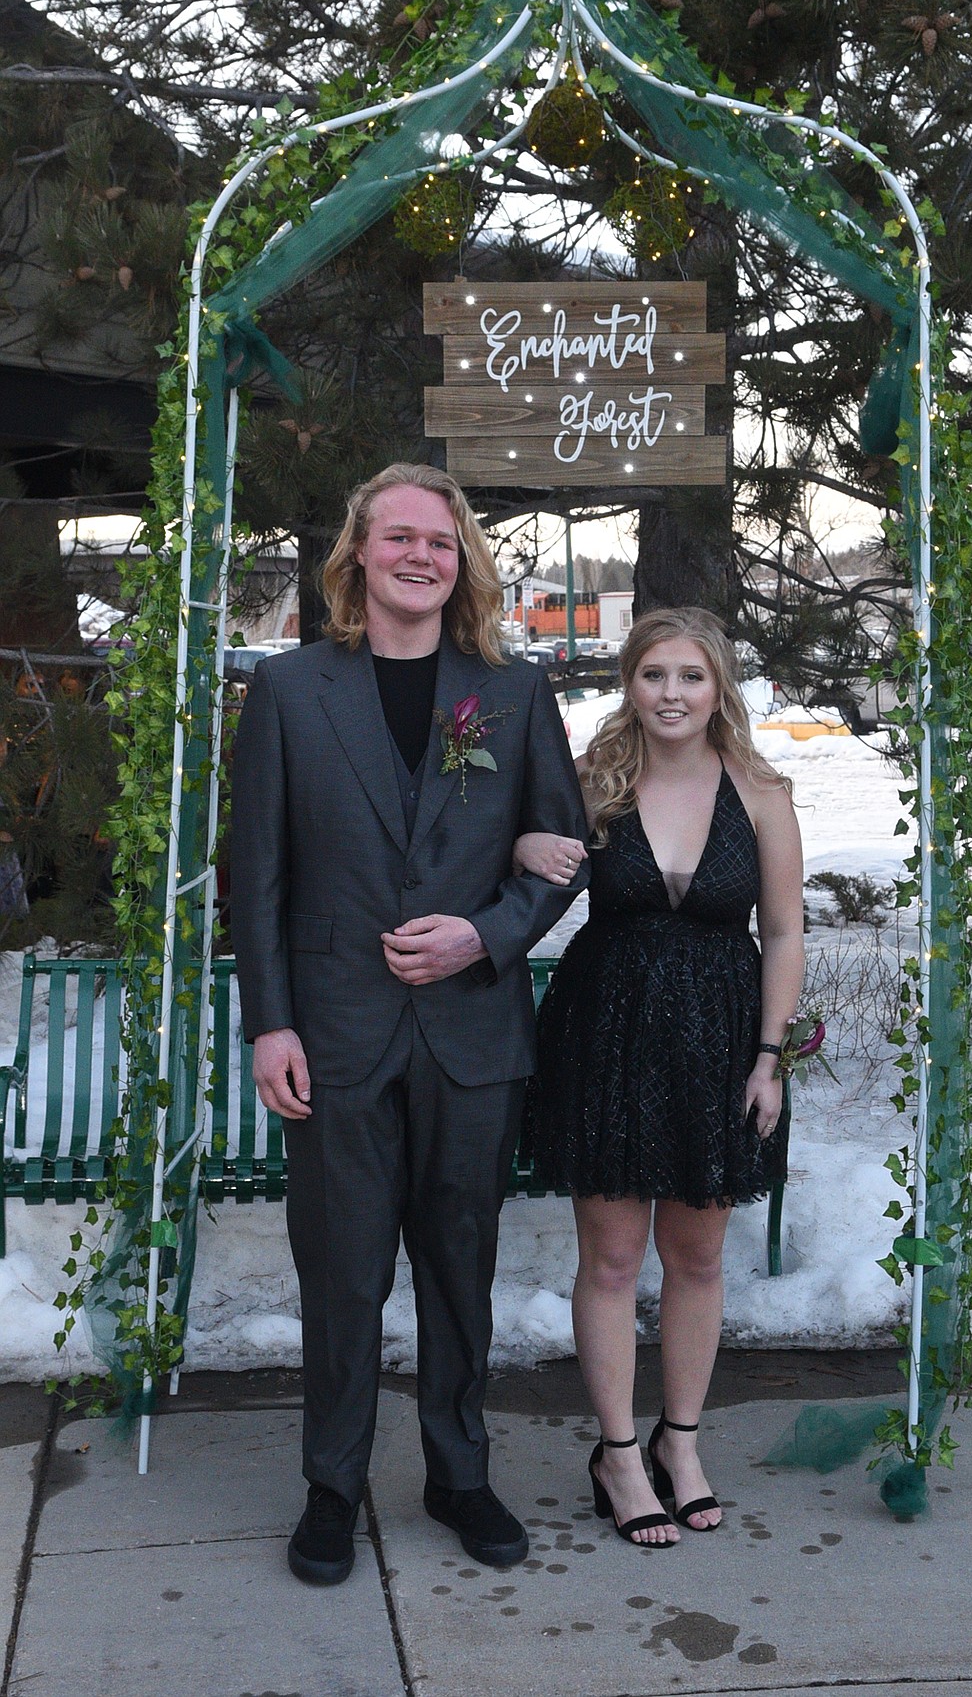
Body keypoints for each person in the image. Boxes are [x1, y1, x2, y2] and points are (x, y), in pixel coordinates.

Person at [230, 462, 587, 1585]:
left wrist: (484, 934)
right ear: (359, 553)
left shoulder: (515, 693)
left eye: (441, 540)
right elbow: (258, 879)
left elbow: (565, 853)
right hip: (333, 1036)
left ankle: (458, 1472)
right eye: (399, 538)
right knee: (340, 1273)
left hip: (471, 1036)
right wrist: (270, 1023)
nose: (420, 556)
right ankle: (332, 1485)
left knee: (458, 1266)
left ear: (462, 559)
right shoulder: (289, 690)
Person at [515, 607, 803, 1546]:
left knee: (700, 1256)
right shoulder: (594, 782)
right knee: (609, 1259)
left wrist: (769, 1057)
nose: (671, 693)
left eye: (690, 675)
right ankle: (618, 1452)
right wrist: (524, 846)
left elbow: (787, 931)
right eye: (652, 675)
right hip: (609, 1035)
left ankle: (682, 1443)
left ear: (719, 688)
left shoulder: (761, 790)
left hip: (721, 1044)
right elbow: (520, 854)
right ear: (629, 685)